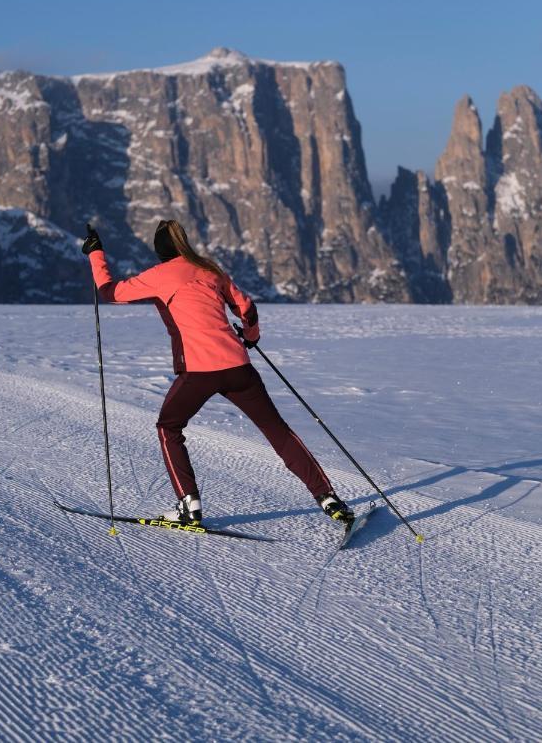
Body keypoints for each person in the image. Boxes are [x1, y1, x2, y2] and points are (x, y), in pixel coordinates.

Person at [82, 219, 354, 527]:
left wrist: (96, 254)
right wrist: (251, 336)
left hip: (198, 372)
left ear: (160, 251)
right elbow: (247, 308)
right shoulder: (210, 269)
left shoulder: (158, 276)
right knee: (278, 432)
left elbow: (109, 292)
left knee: (168, 427)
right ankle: (329, 498)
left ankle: (189, 505)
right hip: (238, 367)